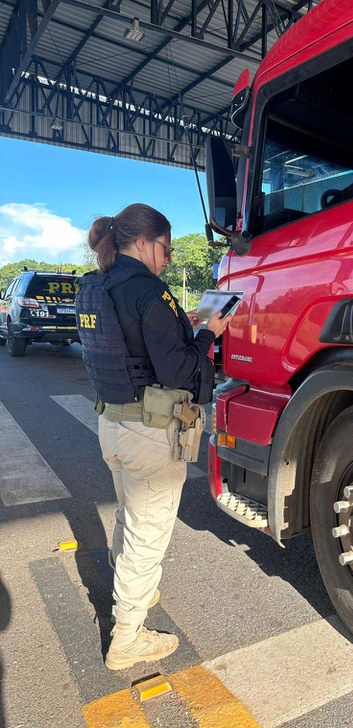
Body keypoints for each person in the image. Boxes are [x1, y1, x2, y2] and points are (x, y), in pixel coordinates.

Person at [75, 203, 229, 670]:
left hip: (112, 423)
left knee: (130, 516)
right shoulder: (147, 291)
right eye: (164, 248)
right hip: (149, 431)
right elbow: (182, 370)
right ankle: (128, 637)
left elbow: (126, 345)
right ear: (142, 243)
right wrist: (207, 334)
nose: (167, 259)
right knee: (148, 533)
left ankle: (131, 587)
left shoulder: (94, 285)